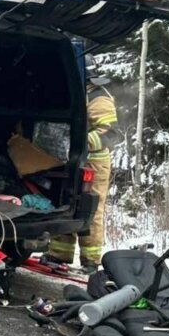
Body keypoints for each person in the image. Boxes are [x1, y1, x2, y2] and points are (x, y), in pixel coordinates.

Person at [44, 62, 119, 273]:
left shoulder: (98, 97)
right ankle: (59, 254)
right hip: (75, 158)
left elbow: (111, 133)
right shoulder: (79, 93)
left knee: (91, 208)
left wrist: (81, 143)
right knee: (65, 202)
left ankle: (90, 261)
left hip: (94, 161)